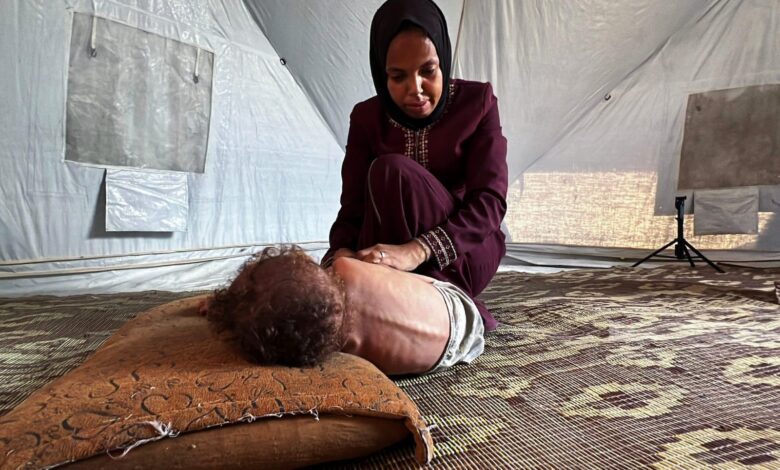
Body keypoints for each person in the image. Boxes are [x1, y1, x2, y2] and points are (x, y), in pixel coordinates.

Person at [322, 0, 508, 333]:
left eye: (428, 71)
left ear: (443, 61)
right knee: (334, 277)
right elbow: (353, 208)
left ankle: (439, 304)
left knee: (391, 171)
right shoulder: (366, 119)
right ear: (381, 73)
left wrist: (416, 251)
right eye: (398, 76)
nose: (416, 89)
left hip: (465, 252)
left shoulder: (477, 104)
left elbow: (489, 202)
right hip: (386, 251)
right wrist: (340, 256)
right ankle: (422, 306)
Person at [203, 245, 483, 376]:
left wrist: (228, 310)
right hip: (454, 303)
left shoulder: (337, 346)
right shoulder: (346, 268)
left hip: (448, 354)